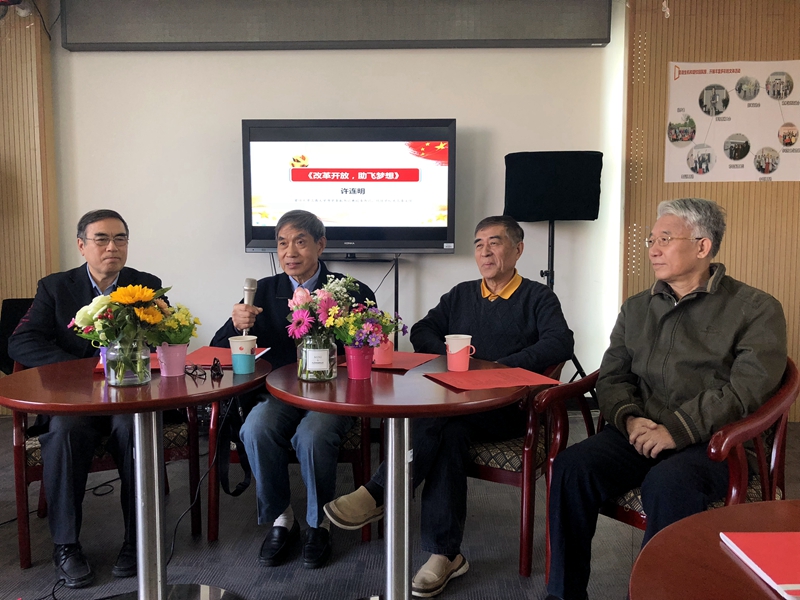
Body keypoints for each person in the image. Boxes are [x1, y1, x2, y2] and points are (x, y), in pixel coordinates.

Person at [545, 198, 787, 600]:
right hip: (641, 431)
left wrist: (676, 430)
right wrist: (629, 419)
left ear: (702, 246)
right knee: (572, 467)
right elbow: (613, 375)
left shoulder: (755, 309)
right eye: (651, 240)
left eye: (665, 239)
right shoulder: (637, 307)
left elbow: (747, 389)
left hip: (715, 444)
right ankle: (563, 594)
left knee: (668, 484)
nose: (653, 249)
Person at [324, 215, 574, 597]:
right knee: (449, 432)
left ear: (518, 249)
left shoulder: (538, 297)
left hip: (507, 409)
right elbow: (423, 329)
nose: (485, 252)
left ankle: (377, 492)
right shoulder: (462, 294)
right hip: (459, 406)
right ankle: (445, 555)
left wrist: (499, 366)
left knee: (436, 421)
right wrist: (448, 356)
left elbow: (560, 342)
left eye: (494, 242)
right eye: (478, 244)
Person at [210, 210, 375, 570]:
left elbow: (370, 345)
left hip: (333, 398)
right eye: (283, 243)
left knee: (312, 437)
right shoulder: (263, 291)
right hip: (278, 394)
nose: (290, 252)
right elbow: (218, 348)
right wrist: (236, 325)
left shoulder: (351, 290)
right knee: (255, 429)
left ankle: (319, 523)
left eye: (300, 242)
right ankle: (282, 518)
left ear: (321, 244)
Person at [9, 209, 162, 588]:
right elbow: (21, 340)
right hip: (73, 401)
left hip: (128, 397)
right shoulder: (55, 288)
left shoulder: (145, 286)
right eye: (102, 239)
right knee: (65, 432)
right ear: (82, 245)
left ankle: (137, 538)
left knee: (134, 428)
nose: (113, 247)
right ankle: (66, 545)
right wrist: (80, 370)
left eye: (120, 238)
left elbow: (166, 336)